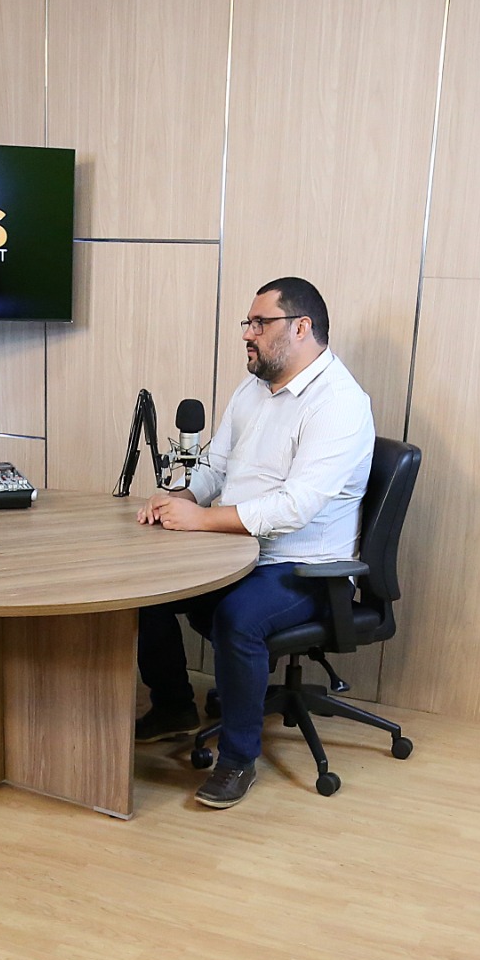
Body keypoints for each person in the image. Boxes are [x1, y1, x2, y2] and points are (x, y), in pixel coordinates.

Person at [132, 277, 374, 809]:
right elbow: (216, 465)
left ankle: (238, 760)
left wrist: (200, 521)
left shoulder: (339, 404)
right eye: (248, 322)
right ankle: (174, 706)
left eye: (260, 323)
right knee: (143, 591)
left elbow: (293, 509)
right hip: (235, 549)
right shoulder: (254, 387)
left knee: (238, 620)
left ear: (301, 327)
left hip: (304, 566)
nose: (248, 333)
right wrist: (180, 495)